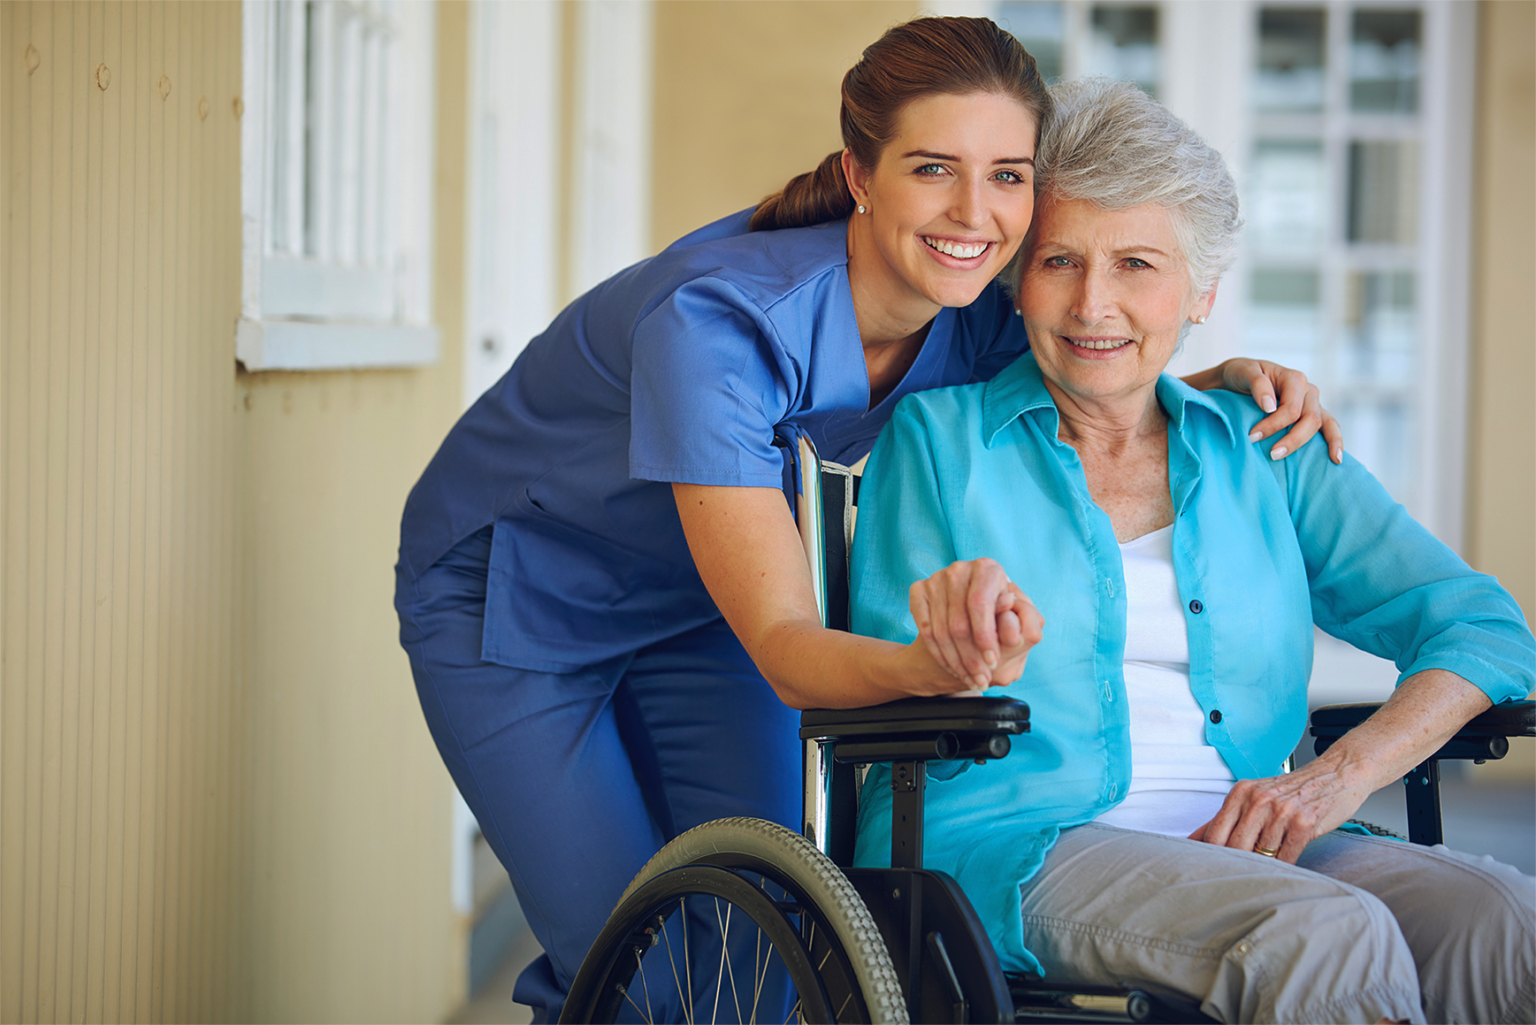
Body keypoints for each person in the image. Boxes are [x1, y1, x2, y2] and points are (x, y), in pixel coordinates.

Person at [395, 19, 1337, 1023]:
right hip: (520, 597)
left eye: (1008, 175)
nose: (975, 212)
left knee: (769, 927)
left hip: (706, 598)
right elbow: (794, 652)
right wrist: (932, 668)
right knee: (636, 960)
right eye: (935, 169)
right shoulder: (719, 324)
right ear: (859, 172)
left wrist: (1221, 381)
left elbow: (1098, 358)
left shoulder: (973, 305)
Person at [849, 77, 1536, 1025]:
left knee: (1504, 919)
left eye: (1137, 263)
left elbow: (1483, 628)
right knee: (1326, 935)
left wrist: (1341, 774)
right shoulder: (940, 440)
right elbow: (895, 662)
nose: (1094, 304)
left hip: (1248, 839)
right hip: (1015, 840)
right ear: (1017, 277)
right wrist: (957, 647)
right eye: (1060, 261)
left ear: (1202, 290)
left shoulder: (1267, 448)